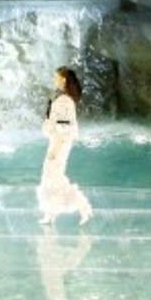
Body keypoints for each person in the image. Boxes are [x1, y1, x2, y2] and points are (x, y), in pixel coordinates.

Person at [38, 67, 92, 226]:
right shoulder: (63, 98)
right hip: (57, 141)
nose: (55, 80)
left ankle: (83, 207)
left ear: (64, 80)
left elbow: (64, 128)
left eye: (57, 77)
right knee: (51, 178)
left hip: (59, 143)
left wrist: (55, 149)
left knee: (54, 177)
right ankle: (50, 213)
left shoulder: (64, 100)